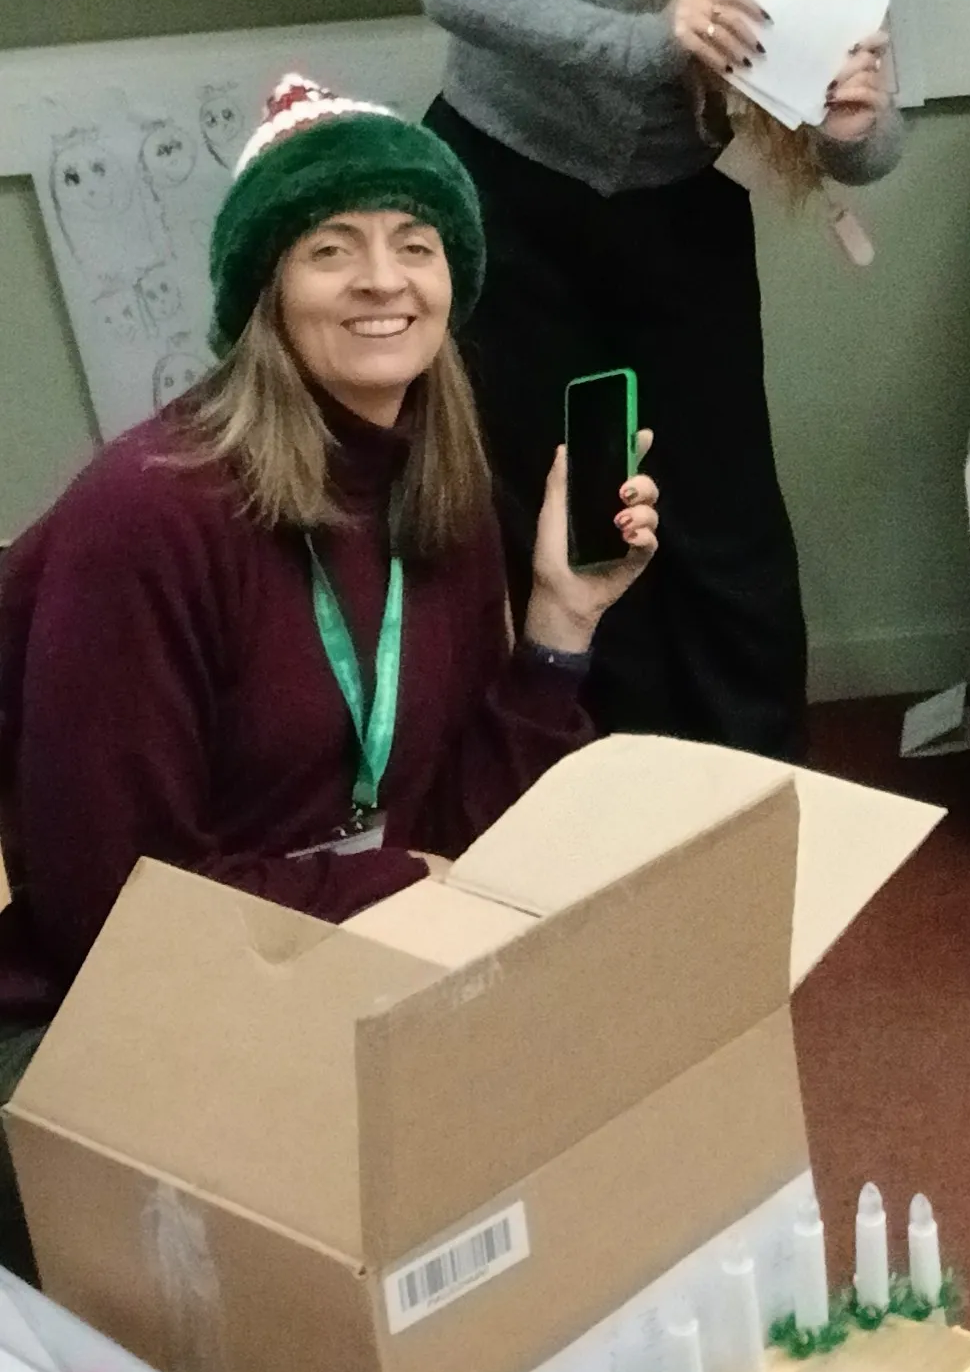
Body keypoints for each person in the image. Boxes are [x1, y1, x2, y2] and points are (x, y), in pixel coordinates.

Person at [0, 71, 657, 1275]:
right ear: (264, 293)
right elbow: (119, 909)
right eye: (328, 247)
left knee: (603, 1128)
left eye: (416, 244)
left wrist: (560, 622)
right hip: (110, 1019)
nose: (380, 280)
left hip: (340, 970)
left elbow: (457, 832)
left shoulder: (441, 502)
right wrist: (394, 886)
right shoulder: (148, 518)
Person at [422, 0, 900, 763]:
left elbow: (871, 145)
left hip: (674, 208)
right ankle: (596, 779)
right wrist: (650, 37)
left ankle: (759, 791)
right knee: (572, 507)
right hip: (507, 192)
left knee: (724, 509)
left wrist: (851, 126)